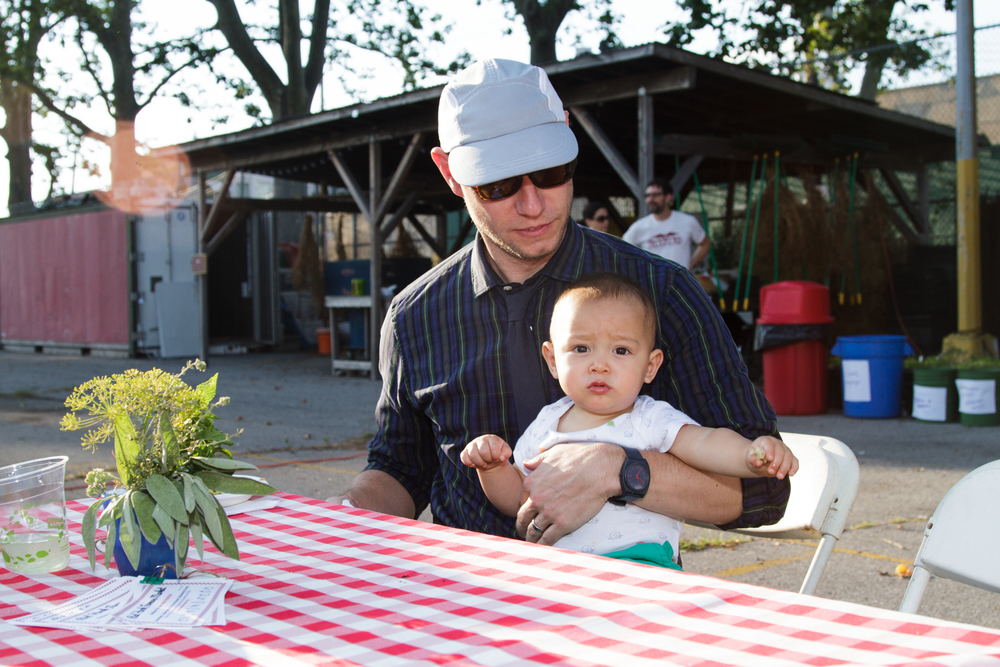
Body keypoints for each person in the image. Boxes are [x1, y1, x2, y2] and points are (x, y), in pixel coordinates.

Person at [327, 58, 788, 545]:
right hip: (473, 594)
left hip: (615, 596)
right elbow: (401, 469)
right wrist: (343, 516)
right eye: (498, 184)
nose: (532, 204)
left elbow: (763, 492)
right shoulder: (414, 316)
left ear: (567, 134)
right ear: (449, 173)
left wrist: (620, 469)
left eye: (550, 172)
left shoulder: (662, 291)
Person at [461, 272, 797, 569]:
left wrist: (751, 455)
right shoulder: (547, 423)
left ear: (650, 366)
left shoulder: (649, 418)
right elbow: (519, 499)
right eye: (581, 349)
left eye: (620, 351)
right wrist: (492, 469)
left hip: (642, 565)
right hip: (558, 570)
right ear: (552, 359)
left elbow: (705, 442)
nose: (600, 365)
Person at [623, 180, 712, 271]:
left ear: (668, 197)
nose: (650, 199)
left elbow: (705, 244)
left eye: (656, 195)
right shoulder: (639, 226)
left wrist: (690, 264)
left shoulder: (687, 221)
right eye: (648, 196)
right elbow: (621, 249)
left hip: (680, 282)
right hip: (652, 283)